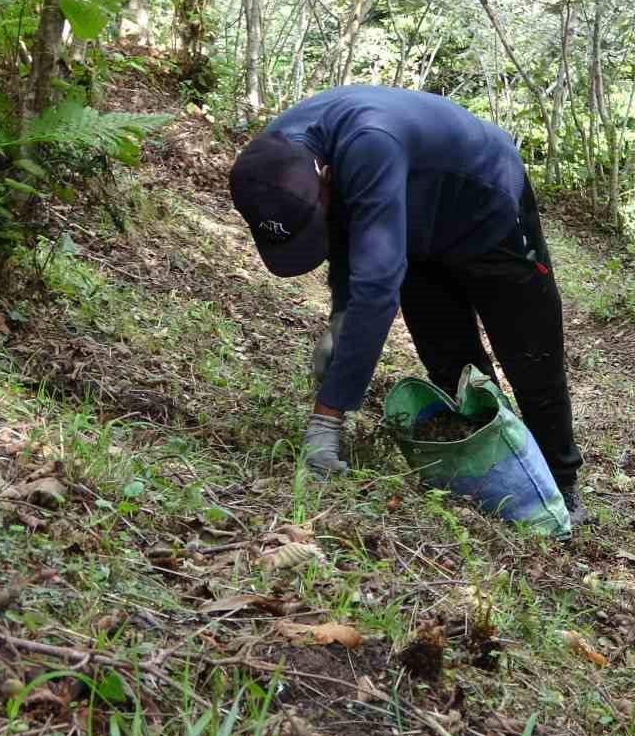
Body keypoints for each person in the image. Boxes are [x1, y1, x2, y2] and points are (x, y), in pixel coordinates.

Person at [227, 85, 588, 521]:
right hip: (412, 223)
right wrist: (342, 317)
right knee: (451, 363)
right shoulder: (271, 162)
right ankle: (498, 473)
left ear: (322, 176)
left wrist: (328, 418)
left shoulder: (368, 144)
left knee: (531, 356)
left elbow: (377, 286)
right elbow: (345, 230)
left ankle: (561, 482)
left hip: (486, 203)